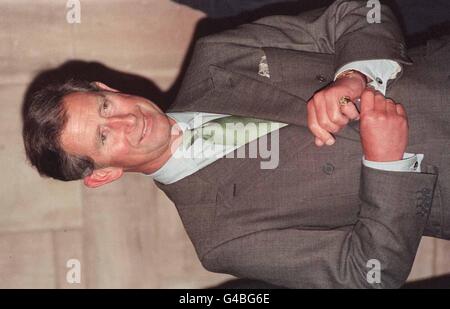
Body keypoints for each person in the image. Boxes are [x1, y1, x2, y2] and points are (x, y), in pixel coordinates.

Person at [22, 0, 450, 288]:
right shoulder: (220, 237)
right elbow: (366, 274)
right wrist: (386, 164)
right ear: (103, 174)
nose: (126, 119)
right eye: (103, 135)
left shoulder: (218, 53)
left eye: (104, 105)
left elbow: (359, 13)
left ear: (106, 86)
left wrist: (354, 76)